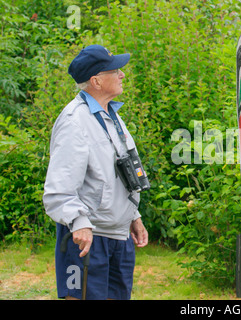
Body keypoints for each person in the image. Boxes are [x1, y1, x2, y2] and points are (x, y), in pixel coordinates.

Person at [43, 44, 149, 300]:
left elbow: (121, 172)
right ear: (96, 81)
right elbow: (59, 188)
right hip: (87, 237)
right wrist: (79, 223)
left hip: (119, 235)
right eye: (116, 71)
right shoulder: (74, 121)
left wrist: (133, 215)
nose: (122, 75)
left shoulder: (111, 116)